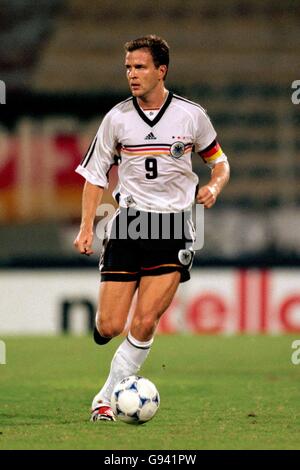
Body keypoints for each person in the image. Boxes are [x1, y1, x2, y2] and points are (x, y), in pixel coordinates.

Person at [74, 35, 230, 422]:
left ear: (162, 70)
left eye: (140, 67)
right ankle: (108, 338)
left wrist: (214, 185)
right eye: (128, 67)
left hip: (174, 227)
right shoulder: (117, 118)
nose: (132, 74)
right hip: (129, 223)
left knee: (145, 321)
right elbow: (94, 176)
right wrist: (86, 228)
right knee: (109, 325)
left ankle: (105, 399)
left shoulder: (192, 115)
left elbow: (220, 162)